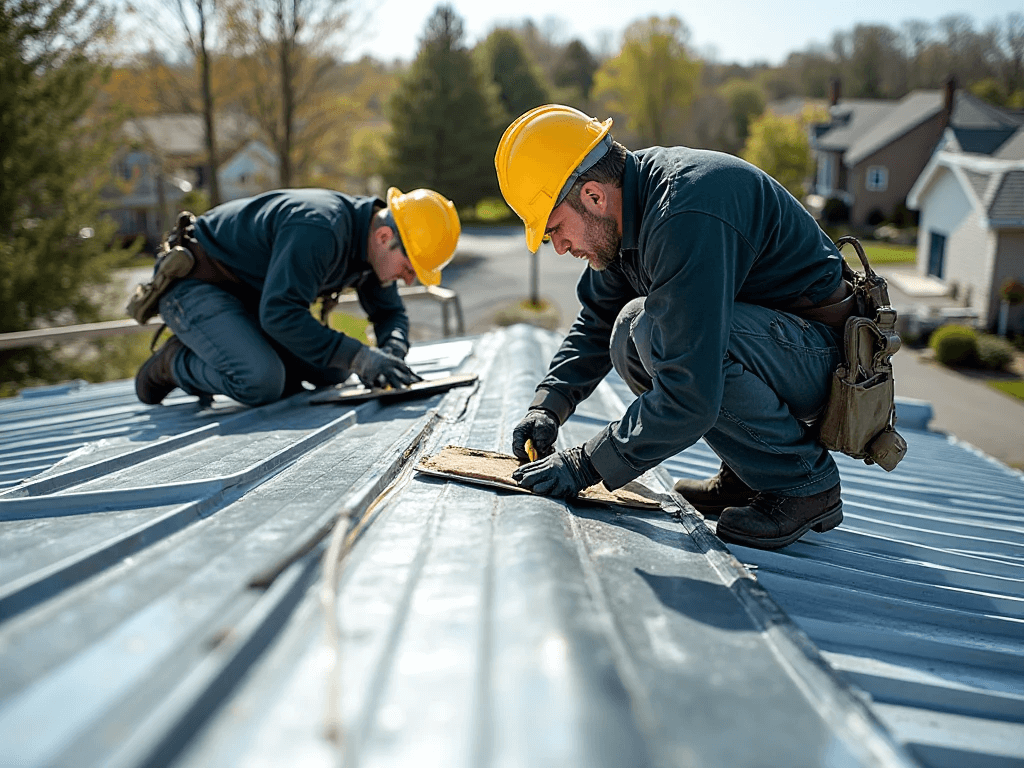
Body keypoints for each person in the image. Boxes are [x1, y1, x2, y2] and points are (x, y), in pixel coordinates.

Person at [496, 104, 855, 551]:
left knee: (648, 329)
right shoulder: (626, 210)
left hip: (823, 358)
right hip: (775, 347)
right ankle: (751, 473)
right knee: (629, 333)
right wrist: (548, 406)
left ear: (592, 196)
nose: (561, 247)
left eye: (555, 230)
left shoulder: (684, 213)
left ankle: (804, 482)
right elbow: (596, 319)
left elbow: (690, 391)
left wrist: (585, 465)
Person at [134, 186, 460, 407]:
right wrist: (362, 357)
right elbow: (280, 314)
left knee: (333, 371)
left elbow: (390, 314)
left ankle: (243, 346)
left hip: (253, 300)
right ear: (385, 236)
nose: (410, 278)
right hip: (196, 287)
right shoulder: (320, 228)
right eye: (409, 266)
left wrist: (393, 349)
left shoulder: (375, 249)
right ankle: (172, 363)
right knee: (261, 380)